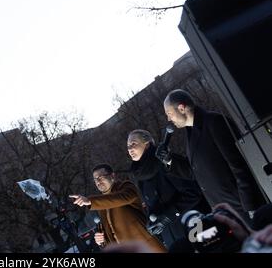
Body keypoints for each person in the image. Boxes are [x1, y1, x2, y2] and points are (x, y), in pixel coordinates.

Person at [163, 89, 266, 220]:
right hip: (226, 212)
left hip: (243, 207)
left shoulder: (214, 122)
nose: (168, 118)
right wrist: (169, 160)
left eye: (169, 113)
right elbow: (196, 172)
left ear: (182, 108)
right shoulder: (190, 133)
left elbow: (239, 164)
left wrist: (251, 205)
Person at [127, 129, 210, 249]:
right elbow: (153, 205)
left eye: (133, 144)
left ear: (147, 143)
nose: (129, 149)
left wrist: (168, 216)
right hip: (173, 239)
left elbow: (193, 193)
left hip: (194, 227)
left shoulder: (166, 161)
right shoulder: (140, 176)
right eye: (128, 146)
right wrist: (153, 221)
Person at [69, 164, 166, 252]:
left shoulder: (126, 187)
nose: (98, 181)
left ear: (112, 176)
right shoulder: (101, 205)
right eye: (95, 179)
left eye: (101, 177)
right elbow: (111, 238)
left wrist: (90, 201)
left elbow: (121, 198)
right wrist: (101, 241)